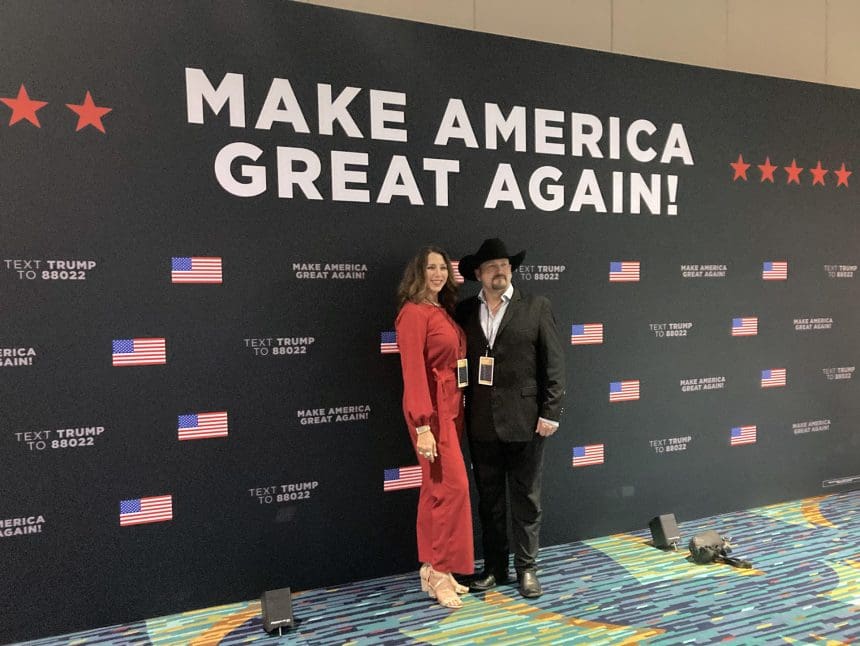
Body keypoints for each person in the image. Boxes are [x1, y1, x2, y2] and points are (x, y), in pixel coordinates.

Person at [455, 238, 565, 599]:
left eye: (504, 265)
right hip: (482, 423)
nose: (499, 271)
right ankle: (495, 568)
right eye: (491, 267)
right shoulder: (465, 311)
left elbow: (554, 365)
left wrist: (550, 412)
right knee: (489, 502)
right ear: (478, 274)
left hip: (526, 422)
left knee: (527, 500)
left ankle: (527, 569)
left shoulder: (536, 306)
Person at [395, 245, 474, 609]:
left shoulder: (441, 310)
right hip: (431, 414)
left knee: (435, 489)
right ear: (419, 272)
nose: (439, 274)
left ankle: (432, 569)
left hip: (452, 410)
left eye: (443, 267)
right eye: (431, 267)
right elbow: (412, 372)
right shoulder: (413, 314)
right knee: (451, 488)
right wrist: (423, 425)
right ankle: (440, 570)